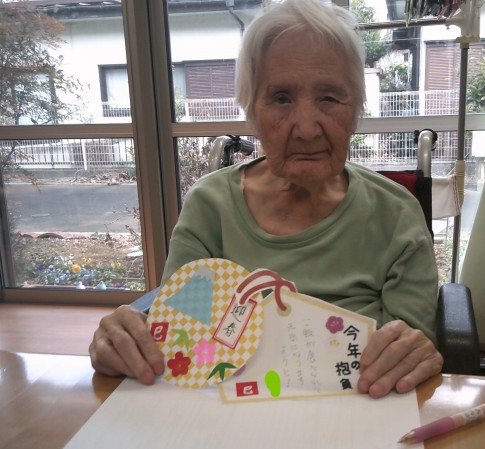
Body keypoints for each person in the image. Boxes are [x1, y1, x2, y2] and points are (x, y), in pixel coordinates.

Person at [89, 0, 442, 399]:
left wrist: (414, 352)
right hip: (224, 416)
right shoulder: (211, 209)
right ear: (252, 113)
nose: (306, 129)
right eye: (281, 99)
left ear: (356, 110)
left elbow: (408, 357)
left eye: (329, 98)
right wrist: (126, 340)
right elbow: (179, 334)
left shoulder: (396, 215)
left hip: (357, 412)